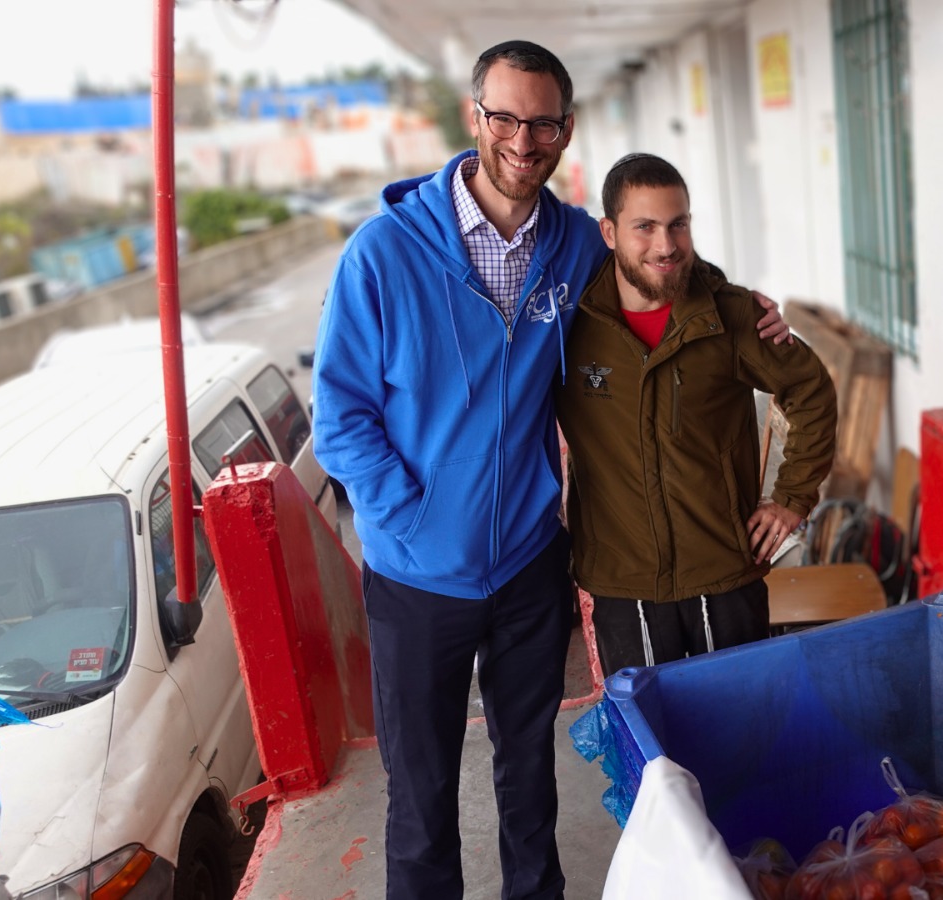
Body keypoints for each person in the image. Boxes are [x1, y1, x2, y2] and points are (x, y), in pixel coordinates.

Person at [312, 41, 789, 900]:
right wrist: (414, 520)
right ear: (474, 118)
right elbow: (340, 422)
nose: (523, 141)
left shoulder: (573, 243)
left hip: (530, 566)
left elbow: (656, 257)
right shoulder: (382, 257)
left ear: (565, 131)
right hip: (417, 582)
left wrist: (744, 307)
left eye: (542, 124)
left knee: (529, 782)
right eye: (506, 118)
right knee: (421, 804)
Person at [555, 154, 838, 675]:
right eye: (645, 227)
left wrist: (792, 498)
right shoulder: (568, 324)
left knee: (741, 730)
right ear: (609, 232)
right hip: (623, 578)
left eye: (678, 224)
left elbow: (810, 389)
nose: (666, 246)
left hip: (724, 571)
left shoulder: (731, 315)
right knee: (651, 746)